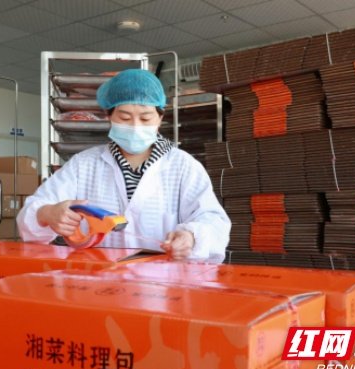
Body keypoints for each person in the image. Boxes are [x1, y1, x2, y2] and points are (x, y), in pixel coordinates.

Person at [17, 69, 230, 261]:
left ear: (160, 117)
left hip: (162, 284)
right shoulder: (83, 165)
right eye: (125, 118)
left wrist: (192, 236)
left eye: (145, 119)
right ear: (109, 116)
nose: (135, 126)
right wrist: (47, 213)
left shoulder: (183, 166)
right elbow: (30, 214)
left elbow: (213, 220)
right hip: (99, 281)